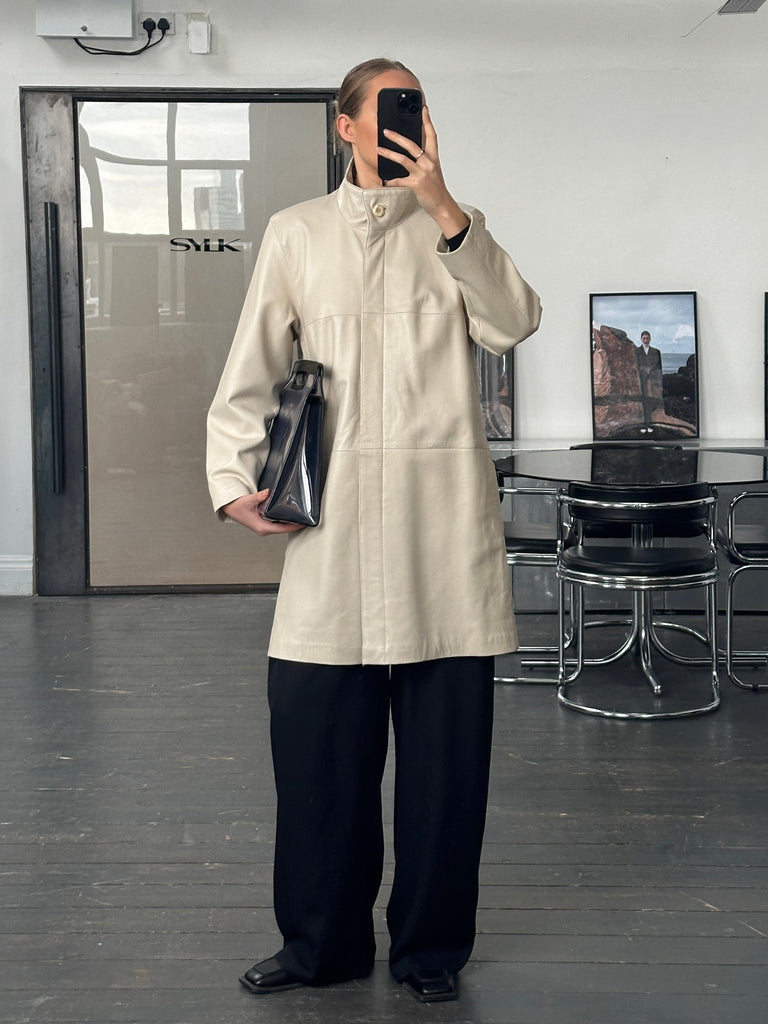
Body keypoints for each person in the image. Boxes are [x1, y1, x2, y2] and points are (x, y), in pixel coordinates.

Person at [206, 57, 542, 1004]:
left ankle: (430, 952)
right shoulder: (297, 233)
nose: (406, 119)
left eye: (416, 105)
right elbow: (250, 368)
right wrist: (232, 481)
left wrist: (444, 208)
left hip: (442, 533)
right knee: (317, 761)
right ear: (345, 125)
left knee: (445, 776)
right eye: (389, 106)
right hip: (336, 534)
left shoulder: (456, 228)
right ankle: (320, 946)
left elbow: (514, 323)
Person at [635, 329, 664, 420]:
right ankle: (644, 419)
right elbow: (635, 365)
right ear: (641, 339)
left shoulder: (656, 351)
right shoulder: (636, 351)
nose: (645, 340)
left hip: (653, 379)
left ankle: (652, 419)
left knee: (653, 400)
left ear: (650, 339)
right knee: (643, 400)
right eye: (644, 338)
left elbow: (659, 368)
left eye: (647, 338)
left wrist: (660, 381)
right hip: (642, 378)